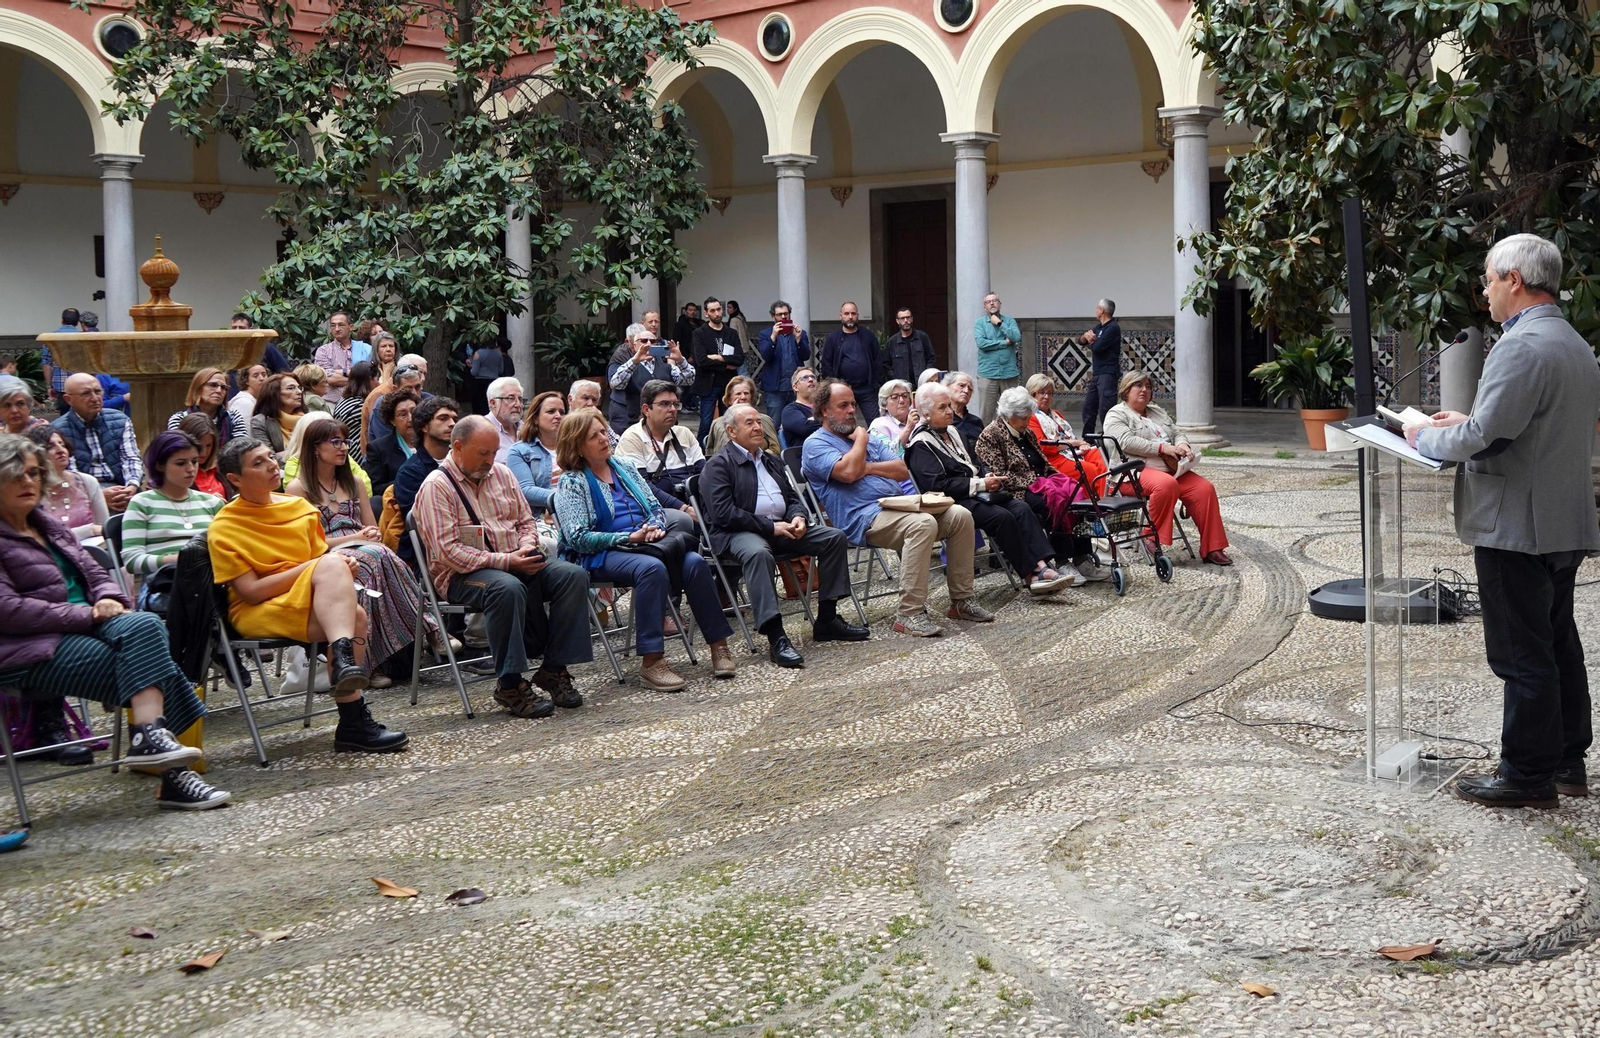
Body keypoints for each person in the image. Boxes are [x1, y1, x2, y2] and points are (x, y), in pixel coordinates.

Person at [1403, 234, 1600, 809]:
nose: (1485, 291)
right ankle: (1567, 761)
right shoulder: (1572, 342)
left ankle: (1526, 776)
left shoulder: (1520, 346)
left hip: (1516, 526)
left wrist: (1424, 434)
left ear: (1514, 279)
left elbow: (1482, 438)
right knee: (1557, 641)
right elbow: (1525, 425)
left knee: (1521, 653)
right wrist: (1472, 418)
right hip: (1561, 519)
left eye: (1489, 278)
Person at [0, 433, 229, 807]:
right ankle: (172, 773)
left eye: (34, 473)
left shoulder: (47, 525)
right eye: (15, 475)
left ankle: (149, 740)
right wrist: (88, 612)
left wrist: (107, 597)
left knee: (146, 625)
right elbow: (8, 610)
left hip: (92, 626)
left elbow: (98, 574)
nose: (28, 482)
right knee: (154, 668)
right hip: (30, 644)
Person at [210, 437, 408, 752]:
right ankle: (349, 694)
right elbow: (250, 592)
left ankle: (352, 722)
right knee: (339, 589)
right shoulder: (225, 525)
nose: (271, 465)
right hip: (258, 609)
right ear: (234, 479)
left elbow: (317, 563)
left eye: (269, 457)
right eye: (257, 463)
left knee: (354, 613)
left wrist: (339, 568)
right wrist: (321, 567)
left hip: (304, 596)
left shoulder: (299, 507)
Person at [412, 416, 593, 716]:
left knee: (572, 575)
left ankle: (553, 668)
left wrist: (525, 547)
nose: (490, 460)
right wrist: (507, 561)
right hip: (462, 575)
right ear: (457, 447)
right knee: (505, 588)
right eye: (483, 453)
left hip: (514, 559)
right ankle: (509, 684)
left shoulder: (503, 474)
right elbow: (448, 553)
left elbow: (525, 522)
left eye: (494, 452)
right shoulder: (436, 486)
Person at [553, 408, 736, 691]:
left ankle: (718, 646)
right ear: (577, 445)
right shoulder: (572, 481)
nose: (604, 438)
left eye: (603, 431)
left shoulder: (623, 467)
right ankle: (652, 662)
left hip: (645, 544)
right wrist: (628, 537)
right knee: (652, 569)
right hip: (600, 554)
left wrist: (653, 527)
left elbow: (654, 506)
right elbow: (577, 537)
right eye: (594, 436)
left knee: (694, 563)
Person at [802, 379, 993, 638]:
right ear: (824, 410)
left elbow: (902, 469)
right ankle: (909, 613)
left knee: (960, 515)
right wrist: (860, 440)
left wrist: (865, 467)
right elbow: (847, 473)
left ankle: (961, 601)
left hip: (900, 507)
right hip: (863, 518)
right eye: (843, 405)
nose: (851, 411)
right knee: (922, 524)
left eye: (853, 405)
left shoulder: (866, 438)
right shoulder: (816, 444)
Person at [703, 403, 868, 667]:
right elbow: (723, 514)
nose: (758, 427)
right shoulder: (718, 465)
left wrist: (798, 517)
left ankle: (827, 619)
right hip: (738, 533)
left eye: (759, 421)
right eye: (749, 423)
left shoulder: (771, 460)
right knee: (758, 553)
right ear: (732, 432)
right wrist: (770, 527)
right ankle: (776, 636)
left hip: (782, 527)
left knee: (833, 537)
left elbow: (793, 497)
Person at [284, 414, 439, 685]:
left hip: (367, 552)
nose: (344, 448)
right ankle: (430, 627)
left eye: (345, 441)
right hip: (325, 557)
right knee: (376, 559)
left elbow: (371, 528)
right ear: (315, 448)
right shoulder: (298, 489)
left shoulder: (354, 482)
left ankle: (371, 662)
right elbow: (307, 545)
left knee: (377, 557)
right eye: (335, 442)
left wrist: (370, 534)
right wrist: (356, 538)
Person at [909, 383, 1076, 594]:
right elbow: (937, 485)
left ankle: (1043, 566)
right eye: (942, 407)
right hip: (953, 502)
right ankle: (1031, 575)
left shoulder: (952, 432)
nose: (950, 411)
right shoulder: (920, 444)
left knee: (1020, 508)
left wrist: (986, 475)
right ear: (925, 413)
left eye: (949, 406)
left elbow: (973, 464)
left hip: (977, 492)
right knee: (1002, 517)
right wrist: (980, 483)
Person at [975, 387, 1112, 583]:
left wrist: (1055, 479)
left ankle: (1082, 557)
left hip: (1042, 480)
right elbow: (1001, 476)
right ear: (1008, 415)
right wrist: (1037, 483)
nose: (1026, 422)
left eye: (1027, 417)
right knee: (1053, 503)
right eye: (1022, 418)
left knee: (1077, 494)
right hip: (1018, 490)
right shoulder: (990, 436)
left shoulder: (1026, 431)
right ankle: (1063, 560)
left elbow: (1044, 463)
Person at [1103, 371, 1231, 565]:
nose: (1144, 390)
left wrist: (1183, 445)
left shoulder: (1157, 412)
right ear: (1126, 390)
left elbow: (1177, 433)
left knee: (1204, 489)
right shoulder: (1116, 414)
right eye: (1138, 385)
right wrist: (1162, 447)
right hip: (1132, 473)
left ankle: (1212, 548)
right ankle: (1150, 537)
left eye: (1148, 386)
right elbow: (1125, 442)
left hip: (1171, 470)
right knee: (1166, 484)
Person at [121, 430, 225, 609]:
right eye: (180, 463)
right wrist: (179, 560)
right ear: (160, 465)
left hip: (210, 580)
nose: (191, 469)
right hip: (163, 586)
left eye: (194, 461)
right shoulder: (142, 503)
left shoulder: (212, 502)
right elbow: (132, 561)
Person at [614, 380, 706, 511]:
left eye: (675, 404)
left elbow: (704, 473)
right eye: (665, 404)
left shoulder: (684, 433)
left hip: (694, 505)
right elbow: (641, 487)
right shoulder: (632, 438)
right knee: (682, 522)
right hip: (656, 510)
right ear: (646, 409)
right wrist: (683, 509)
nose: (673, 409)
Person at [391, 396, 459, 566]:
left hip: (464, 544)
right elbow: (423, 523)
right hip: (428, 557)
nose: (452, 424)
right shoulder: (411, 471)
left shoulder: (463, 464)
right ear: (423, 426)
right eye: (443, 418)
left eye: (454, 419)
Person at [606, 322, 694, 434]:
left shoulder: (665, 365)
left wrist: (680, 360)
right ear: (634, 345)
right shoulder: (629, 365)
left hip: (664, 423)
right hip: (636, 423)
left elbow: (689, 379)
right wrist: (634, 361)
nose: (648, 344)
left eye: (652, 341)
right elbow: (616, 384)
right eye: (643, 341)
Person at [1027, 373, 1109, 488]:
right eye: (1042, 392)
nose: (1046, 397)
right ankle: (1098, 502)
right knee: (1090, 470)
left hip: (1072, 451)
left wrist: (1081, 445)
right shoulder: (1031, 418)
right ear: (1032, 394)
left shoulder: (1057, 414)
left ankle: (1109, 496)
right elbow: (1043, 447)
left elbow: (1070, 437)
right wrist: (1076, 443)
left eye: (1049, 393)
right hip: (1053, 459)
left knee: (1099, 457)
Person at [26, 426, 107, 540]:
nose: (61, 450)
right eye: (50, 447)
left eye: (62, 444)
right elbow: (43, 539)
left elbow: (105, 528)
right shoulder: (31, 490)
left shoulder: (87, 482)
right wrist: (90, 530)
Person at [819, 302, 884, 422]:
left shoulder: (868, 335)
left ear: (857, 315)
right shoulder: (833, 338)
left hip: (867, 389)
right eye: (846, 313)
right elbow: (826, 364)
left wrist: (876, 382)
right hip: (842, 390)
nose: (850, 317)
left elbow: (878, 360)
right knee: (842, 423)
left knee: (876, 423)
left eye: (853, 313)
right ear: (840, 316)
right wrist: (834, 386)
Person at [506, 391, 565, 514]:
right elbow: (526, 491)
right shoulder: (518, 451)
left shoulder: (576, 446)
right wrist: (569, 497)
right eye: (551, 411)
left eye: (562, 412)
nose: (558, 416)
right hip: (542, 517)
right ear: (535, 418)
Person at [692, 297, 742, 441]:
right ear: (706, 313)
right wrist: (726, 363)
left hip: (728, 384)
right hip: (709, 384)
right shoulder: (699, 333)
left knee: (730, 421)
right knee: (706, 423)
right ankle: (703, 455)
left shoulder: (731, 333)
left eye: (719, 309)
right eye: (713, 311)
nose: (717, 313)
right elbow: (701, 360)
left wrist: (718, 358)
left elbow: (739, 358)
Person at [360, 389, 419, 501]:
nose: (410, 418)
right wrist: (408, 479)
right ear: (392, 421)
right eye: (403, 414)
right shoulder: (378, 448)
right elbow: (376, 489)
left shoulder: (431, 442)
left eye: (414, 411)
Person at [973, 293, 1023, 424]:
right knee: (986, 414)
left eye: (994, 301)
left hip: (1009, 373)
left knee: (1013, 411)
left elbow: (1016, 337)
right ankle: (986, 442)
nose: (992, 303)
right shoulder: (980, 323)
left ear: (1000, 304)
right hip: (988, 375)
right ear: (985, 307)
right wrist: (1004, 343)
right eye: (988, 302)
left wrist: (1000, 324)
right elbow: (981, 344)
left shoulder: (1009, 321)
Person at [757, 300, 811, 418]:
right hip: (774, 389)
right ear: (773, 316)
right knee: (775, 423)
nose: (783, 317)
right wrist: (773, 337)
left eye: (786, 314)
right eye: (779, 314)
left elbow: (806, 356)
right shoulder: (765, 334)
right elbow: (766, 356)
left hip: (796, 388)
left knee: (797, 421)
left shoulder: (800, 333)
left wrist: (798, 340)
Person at [167, 367, 248, 446]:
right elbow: (177, 451)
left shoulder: (234, 418)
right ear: (198, 387)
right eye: (213, 385)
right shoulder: (179, 419)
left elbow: (240, 452)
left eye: (223, 387)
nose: (219, 391)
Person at [363, 356, 426, 455]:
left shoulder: (428, 400)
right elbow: (387, 446)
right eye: (408, 388)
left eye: (417, 387)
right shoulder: (383, 405)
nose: (414, 393)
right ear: (395, 388)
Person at [1077, 298, 1122, 435]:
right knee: (1089, 407)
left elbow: (1098, 348)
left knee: (1106, 409)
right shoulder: (1099, 328)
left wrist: (1091, 341)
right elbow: (1080, 341)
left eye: (1097, 308)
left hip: (1108, 374)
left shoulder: (1113, 328)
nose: (1096, 310)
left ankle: (1110, 438)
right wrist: (1086, 337)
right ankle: (1088, 438)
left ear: (1102, 310)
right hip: (1097, 374)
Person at [704, 376, 780, 456]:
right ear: (729, 400)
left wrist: (758, 458)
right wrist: (734, 414)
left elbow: (775, 449)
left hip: (763, 462)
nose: (743, 397)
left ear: (751, 398)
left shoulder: (765, 419)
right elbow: (724, 449)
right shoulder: (719, 423)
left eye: (746, 393)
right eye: (738, 394)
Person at [249, 372, 309, 462]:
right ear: (274, 393)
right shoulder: (260, 422)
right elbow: (268, 459)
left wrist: (284, 453)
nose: (299, 392)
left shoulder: (308, 419)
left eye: (299, 388)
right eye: (291, 388)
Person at [312, 311, 371, 403]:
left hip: (362, 401)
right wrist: (358, 377)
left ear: (350, 327)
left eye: (341, 325)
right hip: (332, 403)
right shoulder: (323, 350)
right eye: (333, 325)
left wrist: (337, 372)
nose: (337, 329)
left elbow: (372, 377)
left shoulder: (365, 349)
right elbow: (329, 379)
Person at [175, 412, 229, 499]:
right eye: (198, 446)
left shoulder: (221, 469)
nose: (204, 453)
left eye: (209, 445)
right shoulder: (174, 472)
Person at [333, 361, 377, 460]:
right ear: (370, 380)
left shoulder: (344, 400)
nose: (379, 383)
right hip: (357, 457)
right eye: (378, 379)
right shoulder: (360, 406)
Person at [41, 307, 81, 414]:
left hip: (60, 385)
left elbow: (46, 364)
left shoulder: (50, 338)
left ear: (62, 320)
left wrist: (49, 386)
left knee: (64, 415)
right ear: (77, 322)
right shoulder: (84, 338)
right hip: (79, 383)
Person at [884, 307, 935, 387]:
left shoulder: (922, 337)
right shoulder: (892, 342)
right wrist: (895, 379)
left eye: (908, 317)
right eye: (902, 318)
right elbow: (886, 364)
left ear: (912, 319)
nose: (905, 321)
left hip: (922, 384)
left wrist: (926, 376)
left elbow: (931, 358)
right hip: (902, 386)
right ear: (897, 321)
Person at [485, 376, 524, 461]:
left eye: (520, 399)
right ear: (493, 403)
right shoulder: (480, 430)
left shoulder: (526, 428)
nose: (518, 405)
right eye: (510, 399)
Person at [780, 367, 821, 447]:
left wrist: (814, 420)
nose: (810, 380)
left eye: (813, 377)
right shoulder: (790, 410)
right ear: (795, 387)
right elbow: (806, 428)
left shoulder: (825, 406)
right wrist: (830, 421)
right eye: (805, 378)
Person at [943, 370, 985, 450]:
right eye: (961, 386)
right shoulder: (941, 419)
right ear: (947, 386)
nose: (966, 391)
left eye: (970, 389)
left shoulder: (976, 421)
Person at [726, 300, 759, 389]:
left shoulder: (733, 320)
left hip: (737, 349)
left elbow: (732, 336)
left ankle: (749, 389)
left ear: (735, 308)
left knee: (742, 371)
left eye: (730, 307)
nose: (727, 310)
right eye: (727, 307)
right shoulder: (741, 318)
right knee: (743, 370)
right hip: (744, 347)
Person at [469, 337, 505, 416]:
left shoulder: (478, 353)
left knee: (480, 407)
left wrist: (471, 366)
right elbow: (501, 370)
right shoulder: (498, 353)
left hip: (480, 383)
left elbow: (474, 372)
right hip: (494, 381)